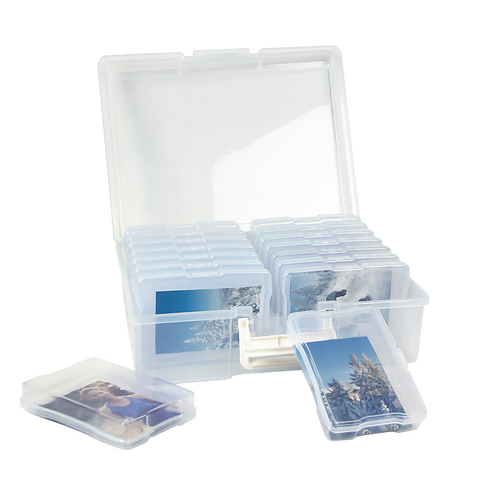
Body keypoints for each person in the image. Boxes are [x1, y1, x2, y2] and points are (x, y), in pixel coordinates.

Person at [80, 387, 180, 428]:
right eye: (94, 396)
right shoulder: (105, 410)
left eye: (100, 392)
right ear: (92, 400)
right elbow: (128, 425)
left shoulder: (135, 396)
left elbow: (166, 402)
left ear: (105, 391)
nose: (100, 395)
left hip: (175, 417)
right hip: (157, 427)